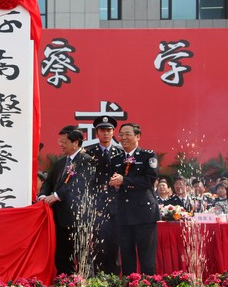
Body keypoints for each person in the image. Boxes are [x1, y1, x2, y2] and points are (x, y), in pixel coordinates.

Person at [38, 125, 92, 275]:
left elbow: (77, 185)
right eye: (59, 142)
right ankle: (65, 282)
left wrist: (55, 196)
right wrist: (43, 195)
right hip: (59, 216)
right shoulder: (61, 162)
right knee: (62, 253)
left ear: (75, 143)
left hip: (78, 217)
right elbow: (48, 181)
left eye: (64, 142)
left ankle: (86, 286)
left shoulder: (86, 160)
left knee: (81, 254)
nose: (60, 145)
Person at [109, 123, 159, 276]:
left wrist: (124, 181)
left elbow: (149, 180)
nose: (123, 138)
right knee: (127, 258)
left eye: (127, 134)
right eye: (121, 134)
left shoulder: (148, 156)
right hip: (123, 215)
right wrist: (114, 185)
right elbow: (113, 182)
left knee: (147, 259)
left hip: (144, 214)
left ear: (138, 136)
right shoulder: (116, 159)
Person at [84, 115, 122, 275]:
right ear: (97, 133)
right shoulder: (88, 153)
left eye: (109, 130)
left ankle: (113, 281)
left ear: (113, 132)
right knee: (98, 246)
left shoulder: (121, 153)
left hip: (117, 207)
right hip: (96, 207)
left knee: (115, 246)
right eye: (102, 130)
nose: (106, 133)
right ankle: (98, 282)